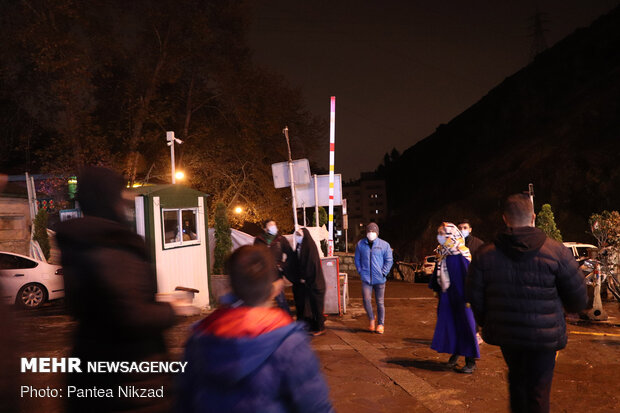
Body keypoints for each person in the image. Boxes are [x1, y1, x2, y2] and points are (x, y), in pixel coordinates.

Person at [56, 167, 178, 413]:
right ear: (109, 198)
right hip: (131, 379)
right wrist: (171, 310)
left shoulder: (76, 241)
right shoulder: (111, 244)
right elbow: (132, 315)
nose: (125, 201)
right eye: (120, 194)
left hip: (90, 368)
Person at [467, 194, 587, 413]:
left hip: (507, 336)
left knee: (517, 383)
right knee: (539, 390)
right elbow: (578, 297)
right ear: (533, 217)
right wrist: (569, 311)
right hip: (544, 337)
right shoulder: (556, 251)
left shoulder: (485, 254)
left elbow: (475, 297)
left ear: (504, 218)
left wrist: (488, 321)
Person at [177, 245, 334, 413]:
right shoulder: (289, 343)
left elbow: (183, 400)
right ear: (273, 288)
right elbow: (315, 405)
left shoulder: (199, 338)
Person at [428, 222, 479, 373]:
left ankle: (471, 361)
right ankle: (455, 354)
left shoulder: (462, 256)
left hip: (463, 300)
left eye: (442, 234)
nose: (440, 237)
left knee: (466, 328)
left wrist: (470, 299)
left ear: (450, 236)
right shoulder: (442, 254)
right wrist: (437, 291)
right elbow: (436, 275)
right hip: (448, 299)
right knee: (451, 327)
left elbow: (470, 279)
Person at [354, 222, 393, 334]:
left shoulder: (384, 245)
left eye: (373, 231)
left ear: (377, 233)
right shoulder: (360, 244)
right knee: (366, 300)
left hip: (380, 279)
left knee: (380, 302)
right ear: (366, 232)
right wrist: (361, 271)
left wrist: (384, 272)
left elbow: (389, 260)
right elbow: (357, 260)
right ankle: (371, 318)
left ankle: (380, 324)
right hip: (366, 279)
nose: (371, 233)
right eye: (369, 231)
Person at [288, 227, 327, 335]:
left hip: (316, 283)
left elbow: (311, 265)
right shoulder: (300, 247)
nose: (298, 238)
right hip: (309, 284)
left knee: (317, 308)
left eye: (300, 235)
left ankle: (320, 328)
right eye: (297, 235)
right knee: (310, 307)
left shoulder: (309, 247)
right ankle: (313, 326)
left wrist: (305, 277)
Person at [253, 219, 295, 315]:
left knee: (281, 299)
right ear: (265, 228)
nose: (273, 227)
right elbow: (255, 256)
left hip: (276, 274)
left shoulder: (281, 239)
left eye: (274, 225)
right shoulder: (259, 240)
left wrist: (283, 265)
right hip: (263, 274)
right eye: (270, 225)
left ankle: (287, 320)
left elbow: (291, 254)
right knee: (261, 300)